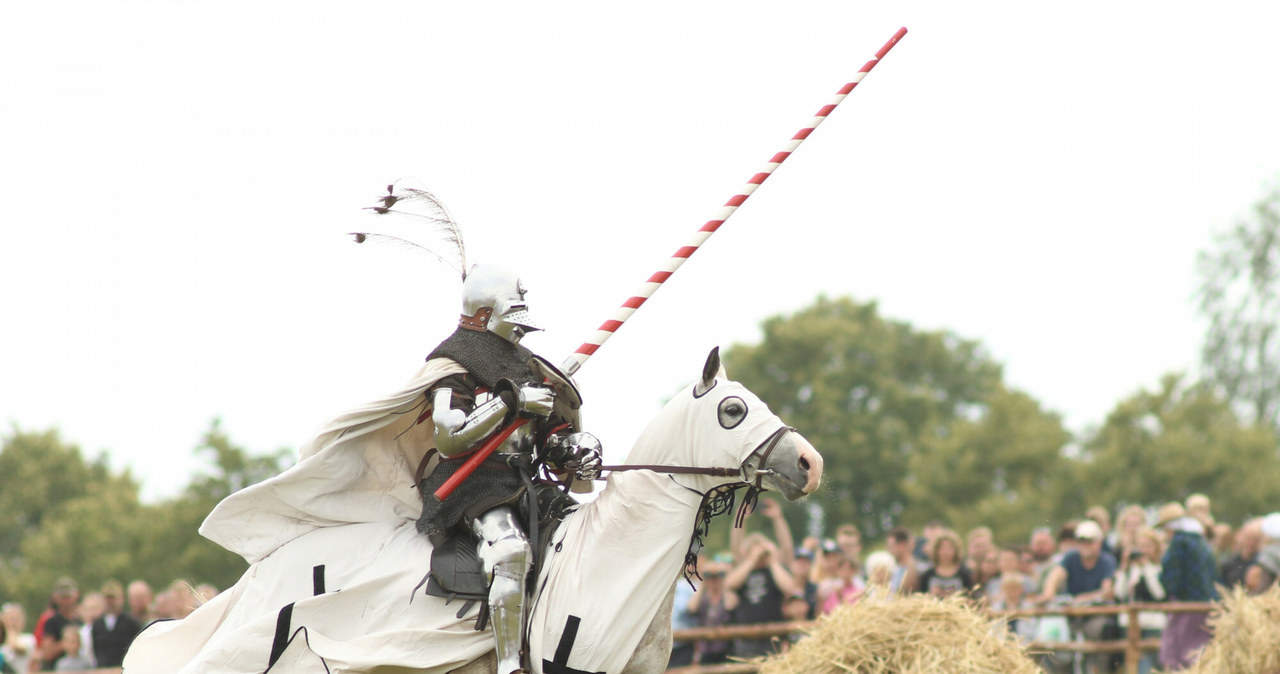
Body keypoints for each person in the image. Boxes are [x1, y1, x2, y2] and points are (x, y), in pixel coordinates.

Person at [413, 264, 603, 674]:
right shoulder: (453, 364)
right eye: (512, 321)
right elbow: (449, 438)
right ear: (483, 317)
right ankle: (510, 664)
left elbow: (550, 435)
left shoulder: (527, 363)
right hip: (474, 486)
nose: (520, 332)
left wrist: (573, 448)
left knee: (594, 530)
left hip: (525, 481)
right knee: (511, 552)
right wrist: (509, 403)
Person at [1035, 520, 1116, 674]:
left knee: (1097, 637)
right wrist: (1048, 593)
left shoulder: (1106, 561)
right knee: (1056, 640)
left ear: (1098, 542)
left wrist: (1086, 598)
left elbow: (1108, 590)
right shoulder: (1071, 558)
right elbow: (1056, 575)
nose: (1085, 545)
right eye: (1081, 541)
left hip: (1095, 614)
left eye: (1090, 541)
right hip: (1072, 614)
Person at [1156, 502, 1217, 671]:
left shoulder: (1179, 543)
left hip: (1185, 606)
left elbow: (1171, 578)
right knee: (1199, 650)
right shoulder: (1201, 542)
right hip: (1205, 605)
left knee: (1176, 653)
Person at [726, 532, 795, 658]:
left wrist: (773, 561)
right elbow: (730, 584)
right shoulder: (744, 570)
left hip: (773, 635)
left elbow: (789, 587)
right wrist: (751, 560)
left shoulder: (775, 570)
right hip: (746, 636)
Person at [1114, 527, 1166, 674]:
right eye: (1140, 546)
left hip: (1153, 623)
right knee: (1132, 664)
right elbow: (1119, 593)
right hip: (1130, 623)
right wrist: (1124, 568)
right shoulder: (1131, 570)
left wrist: (1147, 568)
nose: (1143, 550)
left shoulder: (1159, 569)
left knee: (1148, 665)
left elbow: (1159, 594)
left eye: (1148, 546)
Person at [687, 560, 737, 665]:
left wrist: (724, 581)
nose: (714, 581)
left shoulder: (727, 596)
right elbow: (691, 608)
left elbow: (731, 606)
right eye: (710, 577)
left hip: (726, 649)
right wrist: (702, 582)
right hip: (706, 649)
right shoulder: (702, 598)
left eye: (718, 577)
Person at [91, 580, 142, 668]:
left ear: (121, 599)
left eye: (113, 598)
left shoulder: (131, 623)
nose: (110, 602)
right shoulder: (97, 624)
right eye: (107, 599)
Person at [39, 579, 82, 671]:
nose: (66, 601)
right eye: (63, 597)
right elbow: (47, 653)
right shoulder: (51, 622)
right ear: (55, 598)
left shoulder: (81, 621)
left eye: (68, 596)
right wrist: (68, 643)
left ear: (76, 595)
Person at [917, 529, 973, 599]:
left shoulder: (965, 574)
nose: (946, 552)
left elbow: (970, 598)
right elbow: (921, 597)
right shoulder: (927, 575)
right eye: (942, 548)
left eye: (949, 548)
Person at [1219, 518, 1262, 588]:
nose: (1251, 543)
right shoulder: (1229, 562)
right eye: (1248, 539)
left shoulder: (1261, 563)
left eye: (1255, 540)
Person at [1, 603, 36, 674]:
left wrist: (9, 629)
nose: (13, 622)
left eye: (16, 619)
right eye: (10, 618)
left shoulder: (29, 639)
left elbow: (18, 649)